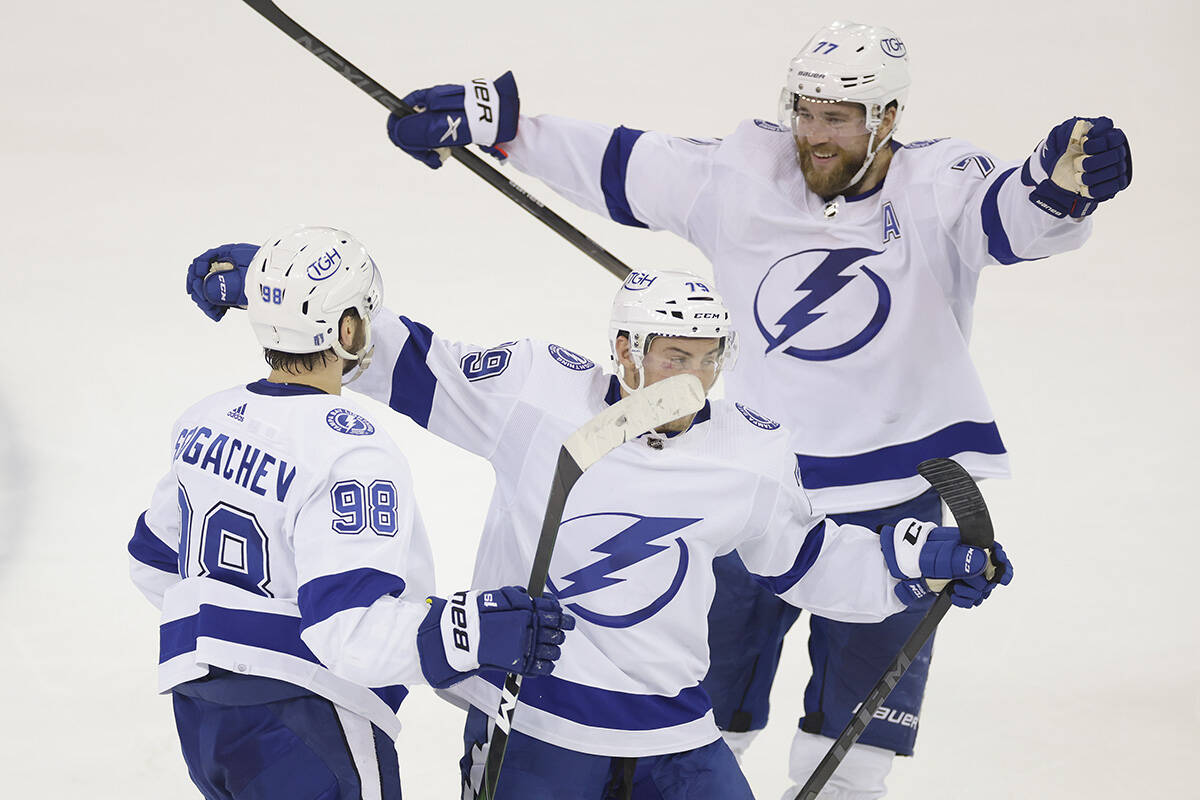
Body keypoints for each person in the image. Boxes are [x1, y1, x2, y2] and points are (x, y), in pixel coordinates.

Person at [382, 19, 1131, 798]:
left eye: (837, 118)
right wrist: (503, 130)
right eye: (805, 111)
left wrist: (1058, 183)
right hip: (747, 498)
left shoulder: (941, 185)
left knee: (853, 758)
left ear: (888, 119)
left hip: (893, 502)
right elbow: (627, 164)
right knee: (703, 725)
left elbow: (1011, 215)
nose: (813, 135)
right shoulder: (747, 171)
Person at [187, 255, 1012, 799]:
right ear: (623, 348)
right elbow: (401, 358)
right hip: (537, 724)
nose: (692, 378)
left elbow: (805, 561)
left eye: (706, 357)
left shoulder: (749, 450)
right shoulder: (534, 396)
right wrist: (281, 289)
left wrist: (917, 564)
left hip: (675, 728)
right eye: (670, 355)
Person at [129, 226, 573, 800]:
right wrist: (474, 631)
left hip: (202, 718)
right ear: (346, 330)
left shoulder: (205, 417)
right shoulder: (351, 449)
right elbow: (349, 634)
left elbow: (153, 562)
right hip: (308, 725)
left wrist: (237, 639)